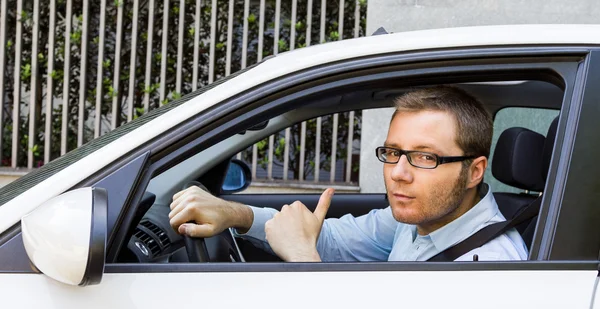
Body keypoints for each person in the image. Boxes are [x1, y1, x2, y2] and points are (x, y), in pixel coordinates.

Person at [169, 86, 528, 262]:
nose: (398, 174)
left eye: (424, 157)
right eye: (392, 153)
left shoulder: (488, 267)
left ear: (473, 172)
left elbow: (310, 248)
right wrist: (235, 213)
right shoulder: (418, 220)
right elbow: (338, 239)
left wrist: (305, 262)